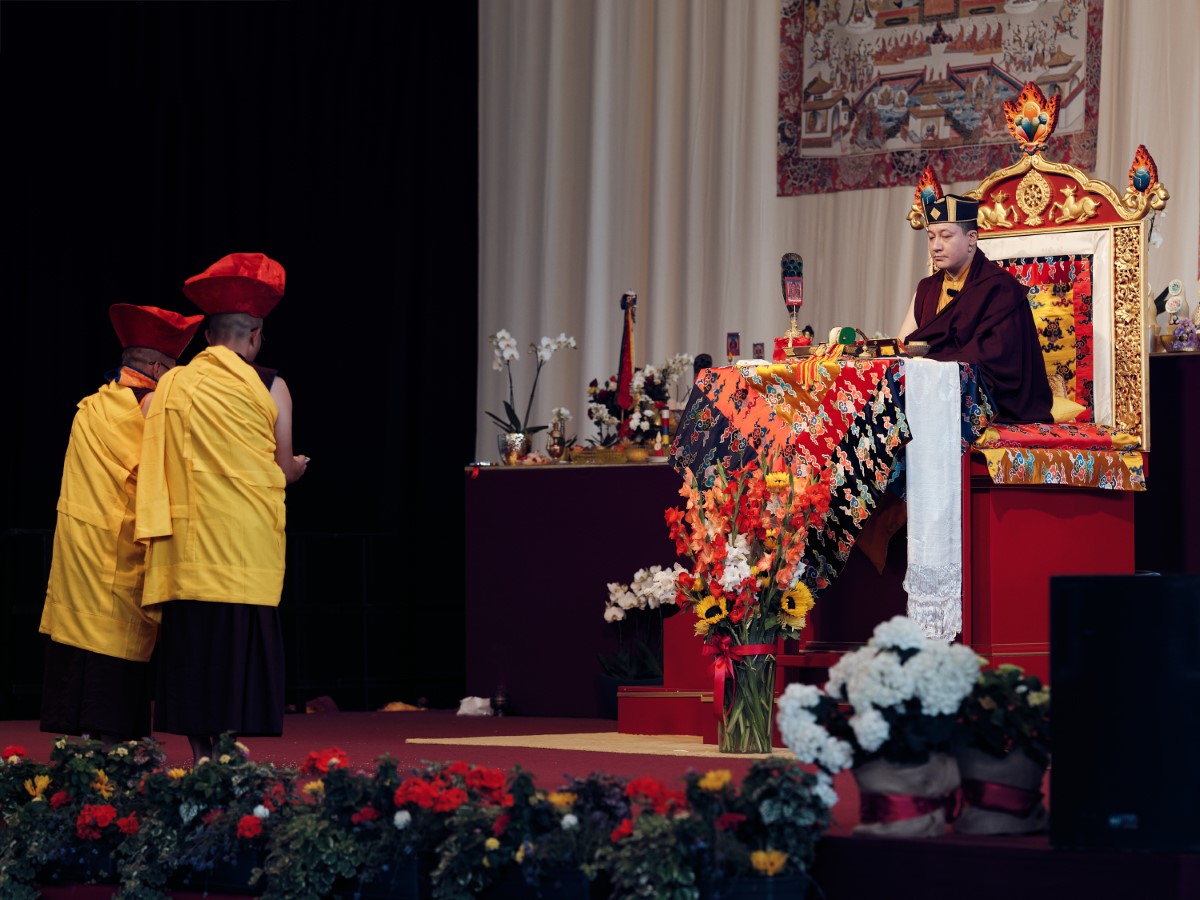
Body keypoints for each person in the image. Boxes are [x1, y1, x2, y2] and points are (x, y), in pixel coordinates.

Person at [135, 252, 308, 764]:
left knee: (192, 650)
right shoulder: (270, 385)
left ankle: (200, 753)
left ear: (208, 336)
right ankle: (232, 750)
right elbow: (279, 466)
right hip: (243, 544)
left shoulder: (172, 384)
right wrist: (295, 470)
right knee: (237, 649)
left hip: (188, 549)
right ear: (255, 335)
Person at [39, 304, 204, 749]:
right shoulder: (152, 407)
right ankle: (114, 738)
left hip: (79, 545)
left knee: (82, 631)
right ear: (155, 366)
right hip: (120, 544)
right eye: (172, 367)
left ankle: (81, 734)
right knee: (114, 635)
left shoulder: (93, 405)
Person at [897, 193, 1051, 424]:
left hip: (989, 399)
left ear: (971, 239)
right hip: (930, 388)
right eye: (931, 237)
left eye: (946, 236)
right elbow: (903, 347)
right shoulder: (926, 288)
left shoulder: (1000, 288)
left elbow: (996, 362)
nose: (936, 246)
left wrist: (933, 371)